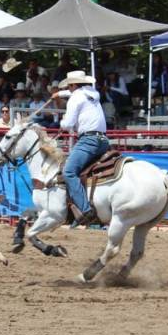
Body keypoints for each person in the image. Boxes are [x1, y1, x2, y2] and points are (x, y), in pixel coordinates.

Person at [59, 70, 108, 227]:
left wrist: (61, 122)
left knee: (68, 172)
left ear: (73, 85)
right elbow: (77, 93)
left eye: (69, 86)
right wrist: (60, 94)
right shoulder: (92, 93)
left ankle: (86, 211)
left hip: (88, 141)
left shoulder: (75, 98)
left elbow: (68, 124)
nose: (69, 89)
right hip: (103, 140)